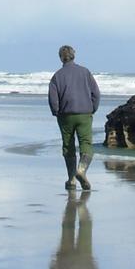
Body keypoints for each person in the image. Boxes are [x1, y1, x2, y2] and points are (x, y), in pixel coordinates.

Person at [48, 45, 100, 190]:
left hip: (65, 115)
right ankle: (81, 170)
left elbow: (53, 98)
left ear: (60, 57)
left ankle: (71, 179)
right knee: (86, 143)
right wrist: (93, 108)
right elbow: (96, 93)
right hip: (85, 113)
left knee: (68, 145)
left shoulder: (57, 76)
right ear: (74, 55)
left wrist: (56, 111)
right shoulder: (85, 72)